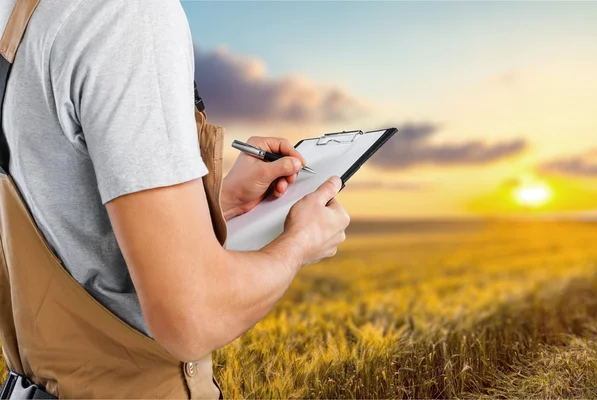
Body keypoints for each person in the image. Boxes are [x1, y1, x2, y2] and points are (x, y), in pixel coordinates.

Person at [0, 0, 349, 398]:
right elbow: (194, 315)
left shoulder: (18, 15)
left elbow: (62, 212)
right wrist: (300, 243)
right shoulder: (129, 14)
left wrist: (219, 204)